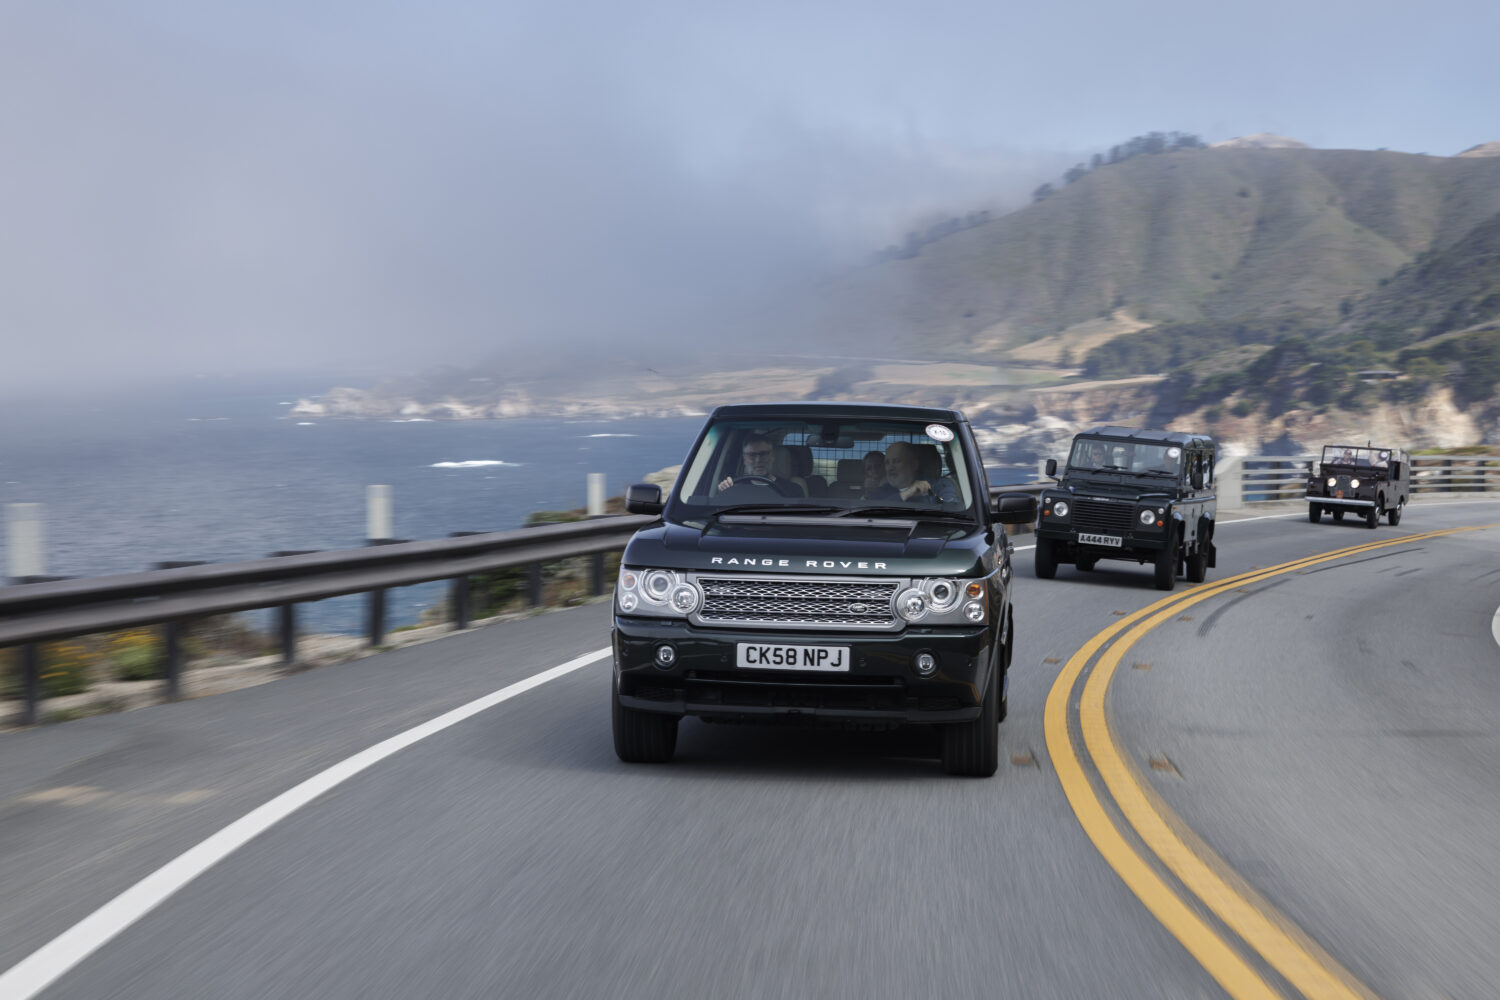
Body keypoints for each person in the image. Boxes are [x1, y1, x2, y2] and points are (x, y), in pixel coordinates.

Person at [864, 441, 957, 504]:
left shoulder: (939, 485)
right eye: (887, 463)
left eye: (896, 461)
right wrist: (907, 493)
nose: (890, 467)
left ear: (913, 465)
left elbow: (952, 511)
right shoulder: (880, 491)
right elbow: (873, 512)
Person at [717, 434, 803, 495]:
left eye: (763, 454)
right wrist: (724, 491)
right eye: (752, 455)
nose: (758, 460)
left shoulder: (793, 490)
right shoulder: (734, 488)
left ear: (772, 457)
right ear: (744, 459)